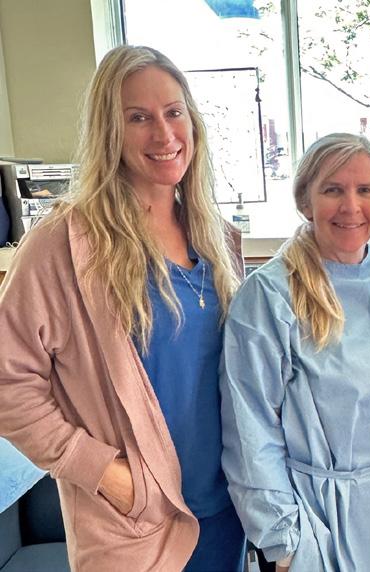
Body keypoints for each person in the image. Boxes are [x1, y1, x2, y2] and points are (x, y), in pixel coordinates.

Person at [0, 45, 245, 571]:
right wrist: (102, 471)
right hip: (133, 527)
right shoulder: (64, 244)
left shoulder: (219, 239)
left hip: (226, 516)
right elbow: (6, 381)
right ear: (109, 131)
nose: (164, 134)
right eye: (138, 117)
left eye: (173, 112)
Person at [219, 133, 370, 572]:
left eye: (365, 190)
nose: (351, 206)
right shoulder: (270, 294)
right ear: (305, 201)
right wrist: (283, 543)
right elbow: (249, 429)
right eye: (333, 190)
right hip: (320, 517)